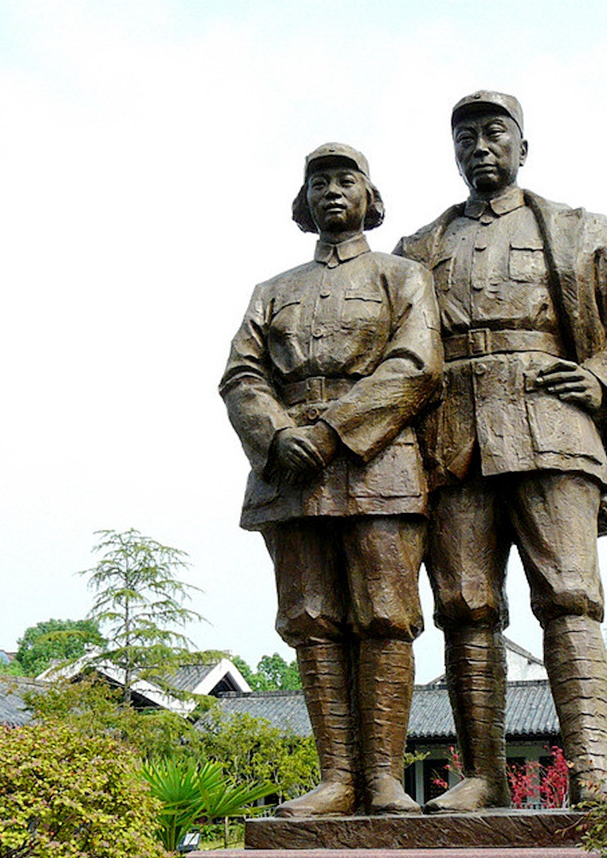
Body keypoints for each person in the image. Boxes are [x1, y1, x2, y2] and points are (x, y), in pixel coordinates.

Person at [396, 91, 607, 809]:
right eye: (464, 135)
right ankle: (482, 772)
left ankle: (592, 768)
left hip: (551, 423)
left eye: (495, 132)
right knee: (464, 605)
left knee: (569, 595)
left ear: (524, 147)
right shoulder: (415, 250)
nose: (479, 145)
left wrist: (598, 375)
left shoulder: (578, 230)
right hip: (451, 437)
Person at [220, 143, 442, 817]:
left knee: (384, 618)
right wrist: (280, 434)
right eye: (318, 181)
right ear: (303, 199)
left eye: (346, 179)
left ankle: (381, 777)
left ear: (370, 195)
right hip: (287, 473)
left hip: (380, 464)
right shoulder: (272, 291)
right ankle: (337, 777)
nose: (331, 191)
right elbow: (240, 375)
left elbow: (416, 364)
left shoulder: (403, 276)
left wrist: (334, 430)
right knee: (312, 620)